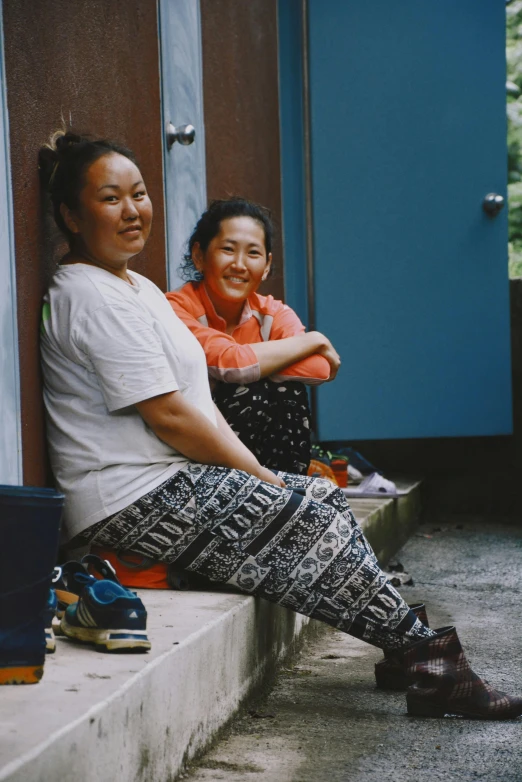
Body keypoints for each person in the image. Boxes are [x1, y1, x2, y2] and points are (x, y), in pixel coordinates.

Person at [38, 131, 521, 720]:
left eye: (138, 194)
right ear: (70, 214)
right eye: (110, 198)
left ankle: (410, 655)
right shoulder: (86, 295)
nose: (133, 210)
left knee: (320, 492)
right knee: (305, 510)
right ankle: (432, 661)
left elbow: (196, 397)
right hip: (125, 497)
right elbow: (169, 415)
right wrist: (260, 475)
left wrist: (267, 477)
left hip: (167, 480)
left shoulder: (135, 287)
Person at [166, 199, 341, 475]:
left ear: (267, 264)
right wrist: (313, 339)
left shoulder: (272, 313)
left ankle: (286, 486)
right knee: (249, 391)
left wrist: (251, 364)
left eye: (253, 253)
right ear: (199, 255)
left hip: (261, 454)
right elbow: (231, 363)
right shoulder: (175, 308)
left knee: (287, 391)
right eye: (227, 249)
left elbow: (321, 369)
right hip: (193, 448)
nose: (239, 264)